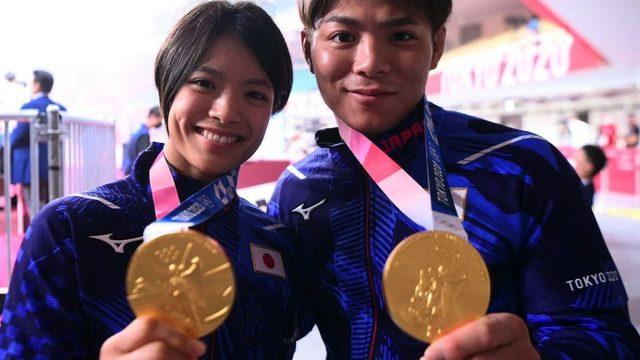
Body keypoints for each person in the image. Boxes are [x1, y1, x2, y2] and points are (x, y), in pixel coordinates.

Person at [269, 0, 640, 359]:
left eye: (400, 36)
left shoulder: (522, 166)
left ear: (437, 47)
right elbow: (274, 334)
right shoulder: (298, 189)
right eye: (343, 36)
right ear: (308, 49)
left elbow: (608, 334)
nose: (371, 63)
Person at [0, 1, 296, 358]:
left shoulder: (274, 240)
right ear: (168, 86)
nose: (226, 111)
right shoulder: (70, 228)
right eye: (204, 83)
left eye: (255, 94)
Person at [9, 70, 67, 214]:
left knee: (34, 208)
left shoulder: (28, 108)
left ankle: (37, 235)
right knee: (52, 205)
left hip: (30, 166)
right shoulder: (61, 109)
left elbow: (18, 136)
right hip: (53, 164)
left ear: (37, 85)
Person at [122, 105, 163, 175]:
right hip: (133, 173)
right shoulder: (144, 135)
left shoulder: (138, 130)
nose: (160, 122)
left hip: (128, 169)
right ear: (153, 116)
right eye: (160, 119)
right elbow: (143, 158)